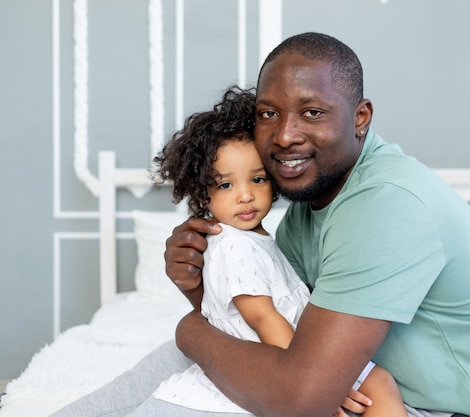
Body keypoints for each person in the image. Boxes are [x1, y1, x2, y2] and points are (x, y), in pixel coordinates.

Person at [51, 32, 470, 417]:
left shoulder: (387, 206)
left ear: (360, 118)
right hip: (364, 390)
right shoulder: (305, 209)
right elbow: (274, 319)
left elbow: (299, 398)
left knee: (193, 359)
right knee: (185, 369)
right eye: (269, 114)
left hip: (454, 411)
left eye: (312, 112)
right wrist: (200, 290)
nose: (285, 136)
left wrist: (190, 329)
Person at [149, 86, 407, 417]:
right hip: (279, 364)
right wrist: (316, 383)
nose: (245, 196)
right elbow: (262, 317)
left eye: (257, 179)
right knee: (376, 386)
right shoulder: (232, 245)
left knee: (380, 383)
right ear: (202, 192)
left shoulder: (262, 239)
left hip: (305, 351)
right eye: (226, 185)